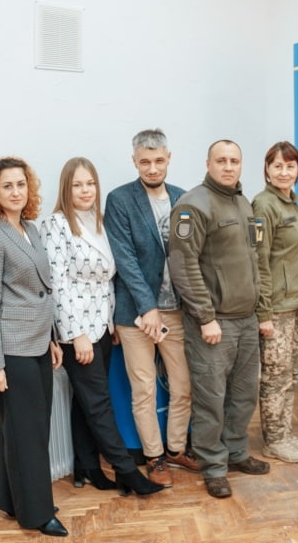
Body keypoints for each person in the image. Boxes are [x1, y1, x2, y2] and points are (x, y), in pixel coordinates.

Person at [39, 157, 165, 496]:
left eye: (90, 183)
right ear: (66, 188)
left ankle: (88, 467)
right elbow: (57, 284)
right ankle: (127, 472)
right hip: (76, 331)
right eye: (78, 184)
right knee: (99, 403)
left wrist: (110, 324)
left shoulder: (100, 222)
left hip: (103, 328)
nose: (85, 190)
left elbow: (109, 279)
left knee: (84, 401)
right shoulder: (56, 224)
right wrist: (75, 335)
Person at [168, 139, 271, 498]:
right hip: (214, 324)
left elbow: (256, 261)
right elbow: (183, 265)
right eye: (221, 160)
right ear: (208, 163)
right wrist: (205, 316)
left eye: (234, 161)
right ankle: (213, 465)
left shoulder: (243, 203)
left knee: (243, 396)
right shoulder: (192, 205)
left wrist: (261, 311)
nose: (229, 166)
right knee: (211, 399)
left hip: (245, 320)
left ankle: (237, 452)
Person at [0, 157, 67, 537]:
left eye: (21, 185)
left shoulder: (31, 229)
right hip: (10, 351)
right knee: (27, 432)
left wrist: (52, 339)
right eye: (8, 186)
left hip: (38, 344)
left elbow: (44, 291)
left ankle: (10, 498)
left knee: (25, 428)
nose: (16, 192)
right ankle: (37, 513)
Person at [104, 128, 199, 487]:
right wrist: (147, 308)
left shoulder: (183, 197)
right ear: (135, 162)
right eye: (145, 162)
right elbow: (124, 259)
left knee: (183, 383)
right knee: (144, 388)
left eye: (159, 160)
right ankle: (154, 457)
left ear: (169, 158)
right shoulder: (119, 199)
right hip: (135, 314)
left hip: (175, 310)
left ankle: (176, 449)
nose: (153, 168)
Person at [251, 141, 298, 463]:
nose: (284, 172)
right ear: (267, 169)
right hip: (276, 307)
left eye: (290, 166)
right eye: (277, 166)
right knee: (275, 377)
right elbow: (258, 261)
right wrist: (263, 312)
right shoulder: (263, 205)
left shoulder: (294, 203)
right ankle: (273, 440)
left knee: (289, 375)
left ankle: (285, 433)